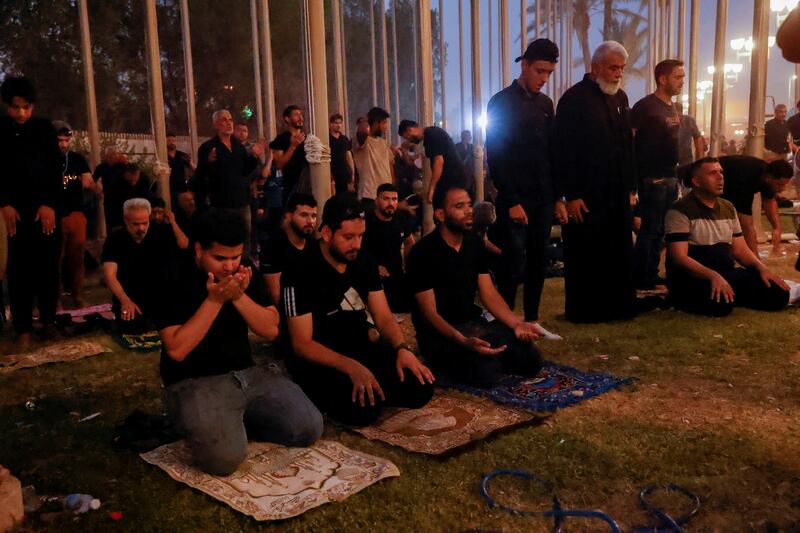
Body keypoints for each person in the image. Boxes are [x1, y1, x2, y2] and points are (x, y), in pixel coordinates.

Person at [152, 208, 322, 475]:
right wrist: (215, 300)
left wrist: (238, 297)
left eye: (235, 256)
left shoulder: (242, 269)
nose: (230, 266)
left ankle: (236, 419)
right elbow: (176, 348)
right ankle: (215, 421)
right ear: (198, 250)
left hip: (247, 373)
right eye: (220, 258)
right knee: (223, 460)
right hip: (195, 380)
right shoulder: (171, 273)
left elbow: (270, 329)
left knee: (308, 427)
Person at [282, 193, 434, 427]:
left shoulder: (364, 261)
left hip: (360, 349)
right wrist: (351, 367)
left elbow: (383, 316)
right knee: (363, 410)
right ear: (327, 233)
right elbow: (301, 344)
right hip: (322, 359)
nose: (356, 244)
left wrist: (402, 349)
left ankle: (374, 385)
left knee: (420, 385)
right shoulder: (300, 268)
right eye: (348, 237)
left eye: (361, 236)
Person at [407, 185, 543, 388]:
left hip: (474, 324)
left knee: (531, 359)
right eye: (459, 206)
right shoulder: (422, 252)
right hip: (441, 333)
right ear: (440, 214)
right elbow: (429, 313)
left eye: (469, 204)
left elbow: (488, 293)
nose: (469, 210)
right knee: (487, 372)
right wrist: (462, 341)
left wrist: (516, 324)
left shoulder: (474, 243)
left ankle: (489, 354)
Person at [485, 38, 567, 323]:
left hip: (543, 197)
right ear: (525, 65)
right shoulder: (500, 102)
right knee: (512, 261)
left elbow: (552, 152)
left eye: (549, 73)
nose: (544, 79)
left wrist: (558, 197)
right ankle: (504, 319)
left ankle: (532, 319)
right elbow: (496, 154)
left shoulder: (546, 104)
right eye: (540, 71)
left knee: (537, 260)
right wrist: (512, 200)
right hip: (515, 197)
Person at [555, 41, 637, 322]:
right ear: (595, 67)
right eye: (613, 68)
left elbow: (627, 145)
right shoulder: (573, 99)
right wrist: (571, 194)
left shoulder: (621, 98)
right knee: (587, 254)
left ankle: (619, 307)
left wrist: (631, 189)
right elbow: (564, 150)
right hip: (586, 195)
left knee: (618, 250)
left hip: (617, 193)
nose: (618, 74)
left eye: (621, 69)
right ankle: (587, 311)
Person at [666, 157, 789, 316]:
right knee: (721, 305)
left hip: (725, 273)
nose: (720, 177)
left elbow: (740, 250)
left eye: (721, 172)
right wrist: (712, 276)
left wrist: (762, 269)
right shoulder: (680, 210)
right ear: (696, 181)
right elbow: (679, 257)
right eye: (713, 173)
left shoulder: (728, 207)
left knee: (779, 294)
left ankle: (732, 293)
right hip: (694, 276)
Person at [0, 76, 62, 349]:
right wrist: (4, 203)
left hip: (44, 212)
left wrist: (49, 204)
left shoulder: (44, 129)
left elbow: (53, 170)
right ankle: (23, 327)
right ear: (7, 106)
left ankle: (49, 322)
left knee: (47, 268)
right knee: (18, 270)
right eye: (16, 107)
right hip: (11, 214)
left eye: (27, 107)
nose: (22, 113)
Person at [630, 59, 684, 290]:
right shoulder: (645, 107)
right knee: (650, 229)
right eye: (678, 77)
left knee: (662, 230)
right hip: (652, 179)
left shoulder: (673, 107)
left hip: (670, 177)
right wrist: (633, 184)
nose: (682, 82)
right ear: (663, 79)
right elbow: (630, 143)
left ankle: (651, 273)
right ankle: (641, 277)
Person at [102, 198, 188, 333]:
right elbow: (109, 274)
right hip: (131, 297)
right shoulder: (115, 239)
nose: (141, 228)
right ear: (126, 220)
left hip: (159, 295)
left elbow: (184, 245)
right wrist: (125, 300)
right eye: (136, 224)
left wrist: (173, 222)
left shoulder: (160, 231)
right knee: (132, 327)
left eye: (144, 223)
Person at [194, 110, 268, 259]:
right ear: (216, 124)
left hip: (241, 201)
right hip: (221, 204)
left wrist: (254, 156)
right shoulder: (208, 147)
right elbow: (201, 174)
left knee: (245, 238)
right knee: (223, 239)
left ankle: (245, 266)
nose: (228, 123)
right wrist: (208, 161)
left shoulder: (238, 147)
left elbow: (244, 171)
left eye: (230, 119)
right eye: (224, 120)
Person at [713, 155, 794, 255]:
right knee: (731, 223)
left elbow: (769, 201)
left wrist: (777, 228)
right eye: (780, 184)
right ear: (769, 179)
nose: (782, 189)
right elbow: (747, 225)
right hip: (719, 180)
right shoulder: (747, 179)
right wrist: (757, 262)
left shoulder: (766, 175)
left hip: (730, 178)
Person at [54, 121, 96, 308]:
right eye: (59, 140)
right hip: (53, 216)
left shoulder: (78, 159)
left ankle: (77, 295)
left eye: (66, 140)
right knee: (54, 259)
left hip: (75, 214)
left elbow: (88, 182)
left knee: (77, 258)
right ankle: (55, 298)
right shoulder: (44, 158)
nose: (63, 144)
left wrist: (84, 181)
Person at [362, 183, 415, 313]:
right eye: (386, 199)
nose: (391, 203)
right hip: (372, 275)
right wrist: (374, 266)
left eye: (394, 199)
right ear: (376, 200)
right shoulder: (366, 222)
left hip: (396, 273)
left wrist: (409, 265)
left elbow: (409, 241)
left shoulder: (400, 218)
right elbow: (358, 250)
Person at [260, 193, 318, 306]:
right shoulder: (273, 246)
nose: (310, 221)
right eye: (304, 215)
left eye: (314, 216)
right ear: (289, 215)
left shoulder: (313, 244)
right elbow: (275, 296)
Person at [398, 119, 466, 202]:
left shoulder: (431, 135)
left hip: (452, 181)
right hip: (452, 180)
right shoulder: (431, 134)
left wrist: (432, 188)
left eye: (407, 137)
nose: (409, 140)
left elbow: (438, 162)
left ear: (410, 130)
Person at [353, 107, 395, 209]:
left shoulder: (383, 142)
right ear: (376, 124)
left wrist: (393, 189)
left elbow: (390, 166)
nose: (386, 127)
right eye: (384, 123)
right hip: (369, 195)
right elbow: (362, 131)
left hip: (386, 195)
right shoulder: (362, 141)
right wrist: (367, 119)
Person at [270, 105, 307, 205]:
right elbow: (279, 165)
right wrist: (293, 146)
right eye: (296, 115)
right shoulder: (281, 139)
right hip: (288, 186)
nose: (300, 118)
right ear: (287, 119)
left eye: (300, 114)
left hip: (305, 185)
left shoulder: (307, 139)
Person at [104, 163, 154, 233]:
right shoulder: (116, 181)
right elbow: (113, 203)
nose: (133, 183)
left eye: (135, 181)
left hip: (138, 210)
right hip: (119, 212)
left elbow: (145, 199)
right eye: (131, 180)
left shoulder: (144, 180)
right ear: (125, 174)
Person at [329, 113, 355, 195]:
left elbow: (349, 156)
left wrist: (352, 174)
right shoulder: (327, 138)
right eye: (336, 123)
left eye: (340, 123)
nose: (338, 125)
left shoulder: (344, 139)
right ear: (331, 124)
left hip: (345, 174)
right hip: (334, 174)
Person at [166, 132, 194, 206]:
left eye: (173, 141)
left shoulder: (182, 155)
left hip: (182, 189)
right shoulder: (163, 156)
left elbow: (193, 168)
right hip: (168, 189)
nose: (171, 143)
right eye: (169, 141)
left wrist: (190, 163)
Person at [676, 102, 704, 166]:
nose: (677, 118)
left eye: (679, 115)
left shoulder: (689, 120)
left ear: (682, 113)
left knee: (687, 172)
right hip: (671, 156)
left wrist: (700, 158)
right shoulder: (667, 120)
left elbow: (697, 138)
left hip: (686, 156)